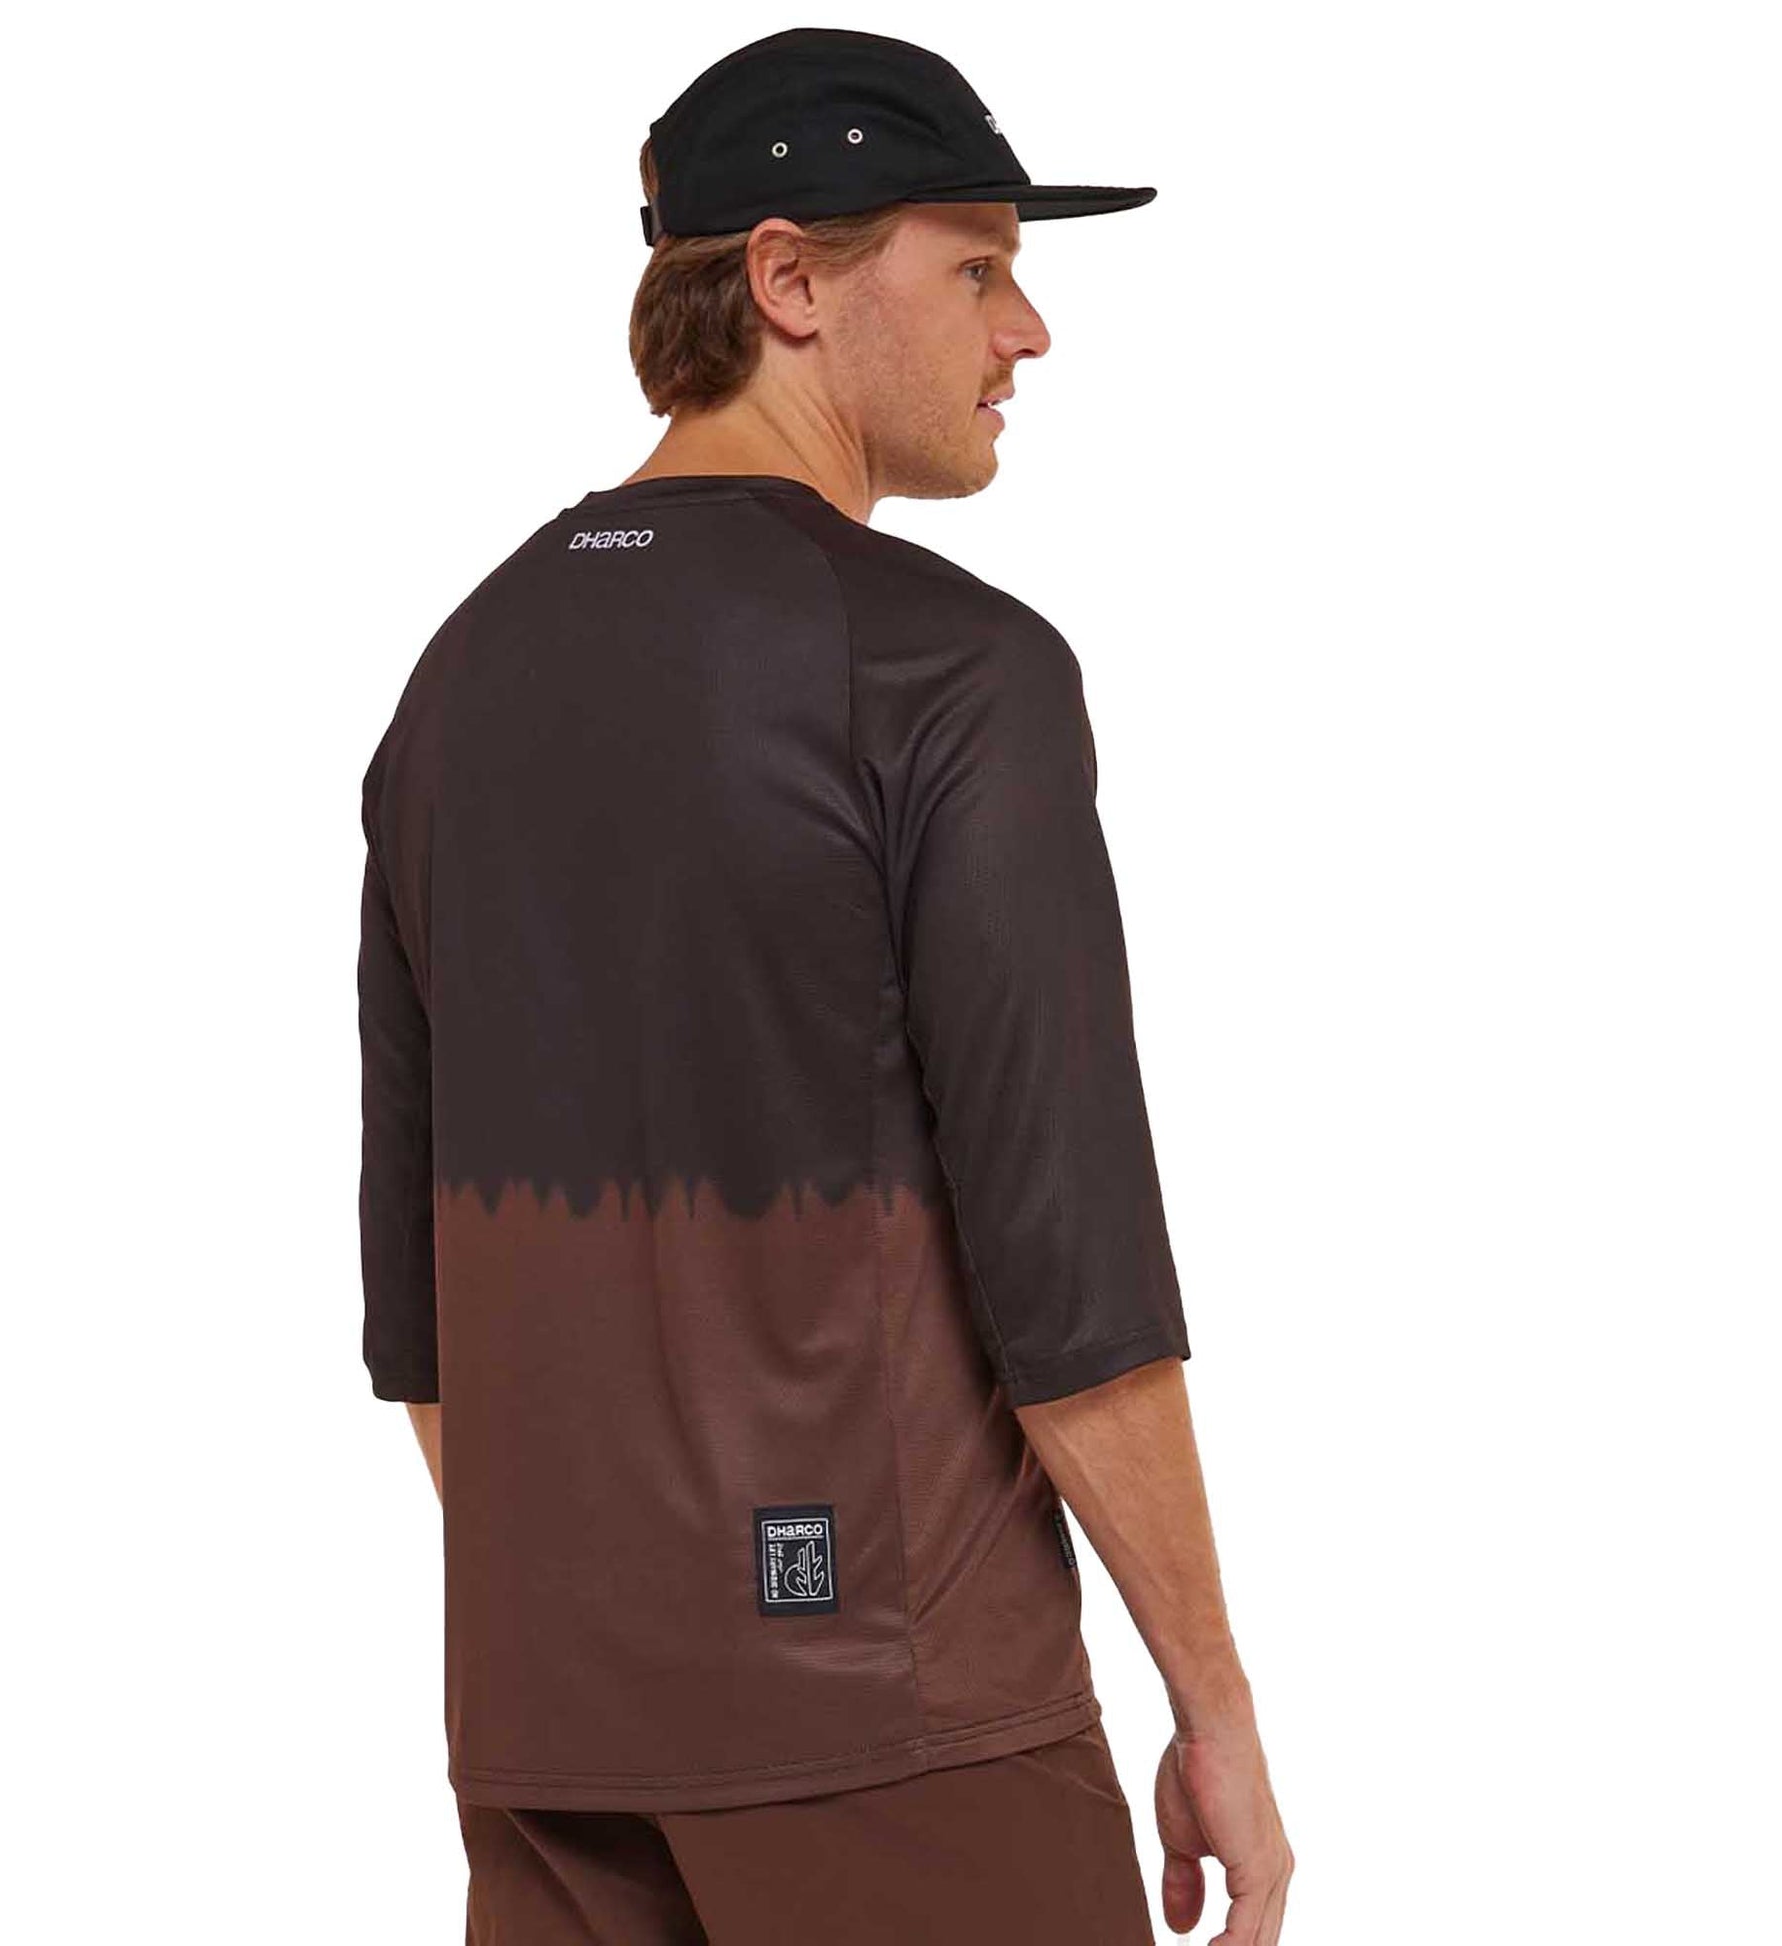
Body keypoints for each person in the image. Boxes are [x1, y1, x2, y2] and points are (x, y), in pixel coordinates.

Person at [357, 26, 1292, 1945]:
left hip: (547, 1729)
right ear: (786, 279)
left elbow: (419, 1304)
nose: (1026, 330)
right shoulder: (947, 674)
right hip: (902, 1717)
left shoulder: (459, 677)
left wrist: (626, 1629)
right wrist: (1214, 1706)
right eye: (977, 267)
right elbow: (1074, 1274)